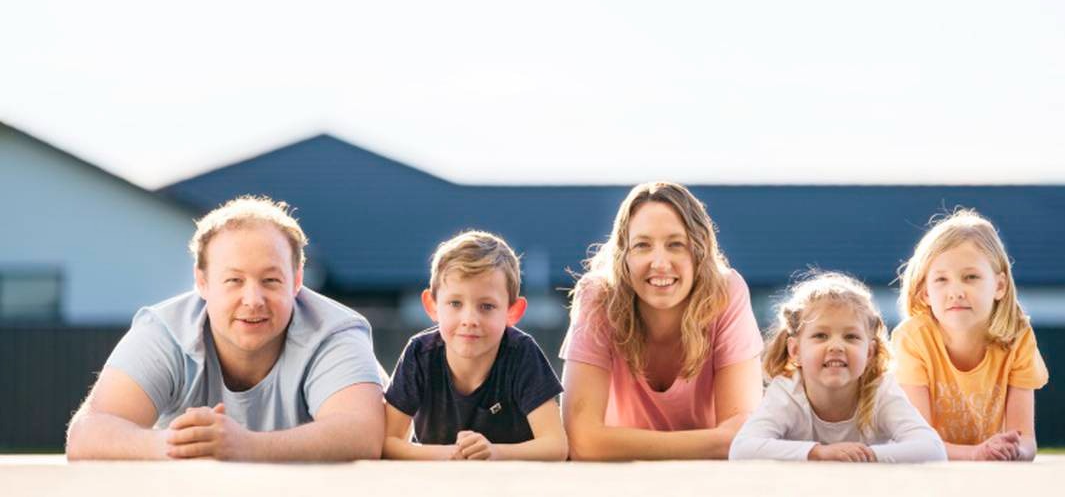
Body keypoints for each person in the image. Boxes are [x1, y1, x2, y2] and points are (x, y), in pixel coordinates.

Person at [66, 195, 385, 461]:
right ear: (202, 282)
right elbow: (87, 433)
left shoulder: (335, 331)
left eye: (271, 280)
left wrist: (246, 447)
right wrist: (181, 446)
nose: (253, 299)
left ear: (297, 280)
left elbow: (363, 433)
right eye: (234, 280)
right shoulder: (165, 332)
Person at [559, 182, 763, 460]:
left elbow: (743, 437)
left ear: (699, 252)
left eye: (675, 245)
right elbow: (582, 441)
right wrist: (716, 441)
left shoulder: (726, 293)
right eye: (642, 245)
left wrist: (614, 443)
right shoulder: (597, 296)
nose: (660, 262)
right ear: (624, 256)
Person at [382, 230, 566, 460]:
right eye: (455, 303)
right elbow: (386, 442)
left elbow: (556, 445)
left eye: (487, 306)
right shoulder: (420, 355)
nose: (469, 320)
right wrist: (447, 454)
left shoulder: (522, 354)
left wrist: (495, 452)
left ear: (512, 312)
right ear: (432, 306)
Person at [729, 272, 944, 462]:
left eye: (851, 337)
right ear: (795, 351)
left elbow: (932, 449)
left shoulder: (880, 390)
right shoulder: (787, 391)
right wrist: (819, 453)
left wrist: (867, 456)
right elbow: (742, 448)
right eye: (820, 336)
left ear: (869, 352)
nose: (836, 346)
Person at [892, 208, 1049, 461]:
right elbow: (920, 444)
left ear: (999, 285)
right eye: (941, 280)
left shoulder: (1018, 337)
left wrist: (1011, 450)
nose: (956, 291)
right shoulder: (913, 340)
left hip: (985, 468)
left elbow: (1026, 440)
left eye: (970, 277)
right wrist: (976, 453)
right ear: (925, 294)